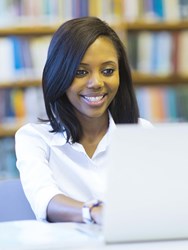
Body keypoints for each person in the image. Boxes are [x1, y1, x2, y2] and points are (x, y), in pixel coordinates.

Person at [15, 16, 151, 225]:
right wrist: (94, 212)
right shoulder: (33, 138)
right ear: (59, 74)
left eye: (108, 71)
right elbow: (45, 200)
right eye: (80, 72)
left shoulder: (141, 132)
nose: (96, 82)